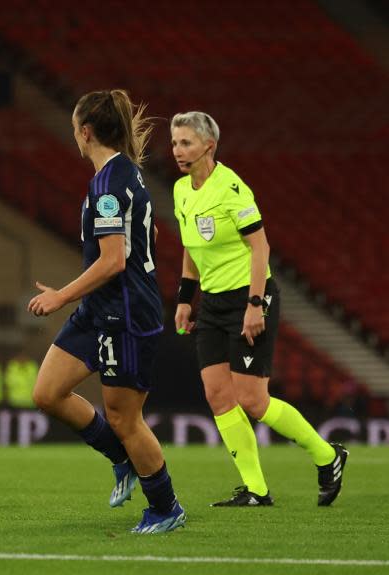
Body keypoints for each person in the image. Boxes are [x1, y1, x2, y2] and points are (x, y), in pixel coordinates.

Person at [170, 111, 347, 507]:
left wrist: (254, 305)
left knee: (252, 400)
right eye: (175, 143)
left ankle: (328, 455)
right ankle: (256, 489)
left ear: (208, 147)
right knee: (218, 395)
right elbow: (190, 247)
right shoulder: (182, 190)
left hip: (249, 297)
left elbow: (260, 247)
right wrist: (185, 297)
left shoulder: (232, 189)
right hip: (213, 302)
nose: (177, 151)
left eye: (186, 143)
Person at [29, 90, 185, 534]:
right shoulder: (123, 175)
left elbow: (114, 261)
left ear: (85, 131)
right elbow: (143, 232)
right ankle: (121, 458)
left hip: (127, 313)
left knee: (124, 417)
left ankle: (165, 506)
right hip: (101, 309)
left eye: (74, 129)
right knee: (47, 393)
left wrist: (61, 296)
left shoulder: (108, 185)